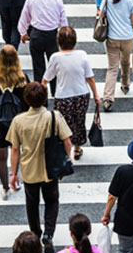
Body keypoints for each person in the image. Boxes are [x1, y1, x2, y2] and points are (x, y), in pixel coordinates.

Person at [7, 82, 72, 253]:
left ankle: (35, 233)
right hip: (50, 168)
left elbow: (14, 149)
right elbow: (67, 141)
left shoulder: (19, 120)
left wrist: (13, 173)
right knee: (52, 201)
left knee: (32, 203)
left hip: (29, 170)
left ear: (26, 99)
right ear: (45, 98)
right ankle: (49, 234)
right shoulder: (54, 116)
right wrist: (67, 161)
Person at [43, 26, 101, 160]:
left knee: (63, 124)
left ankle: (65, 150)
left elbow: (47, 78)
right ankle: (77, 148)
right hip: (82, 94)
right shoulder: (82, 55)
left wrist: (42, 90)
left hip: (63, 96)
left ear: (58, 42)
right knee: (79, 121)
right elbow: (90, 78)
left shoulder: (56, 57)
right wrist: (96, 95)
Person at [0, 45, 30, 200]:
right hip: (18, 121)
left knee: (1, 156)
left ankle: (5, 187)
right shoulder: (22, 79)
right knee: (16, 150)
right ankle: (14, 178)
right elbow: (26, 102)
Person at [18, 0, 68, 97]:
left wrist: (23, 32)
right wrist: (64, 33)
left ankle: (40, 96)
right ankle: (55, 92)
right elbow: (63, 18)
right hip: (52, 35)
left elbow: (24, 17)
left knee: (38, 66)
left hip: (37, 34)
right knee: (54, 65)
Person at [101, 0, 133, 112]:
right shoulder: (131, 1)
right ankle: (125, 84)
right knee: (125, 62)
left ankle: (108, 98)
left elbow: (101, 15)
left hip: (112, 38)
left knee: (112, 68)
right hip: (127, 38)